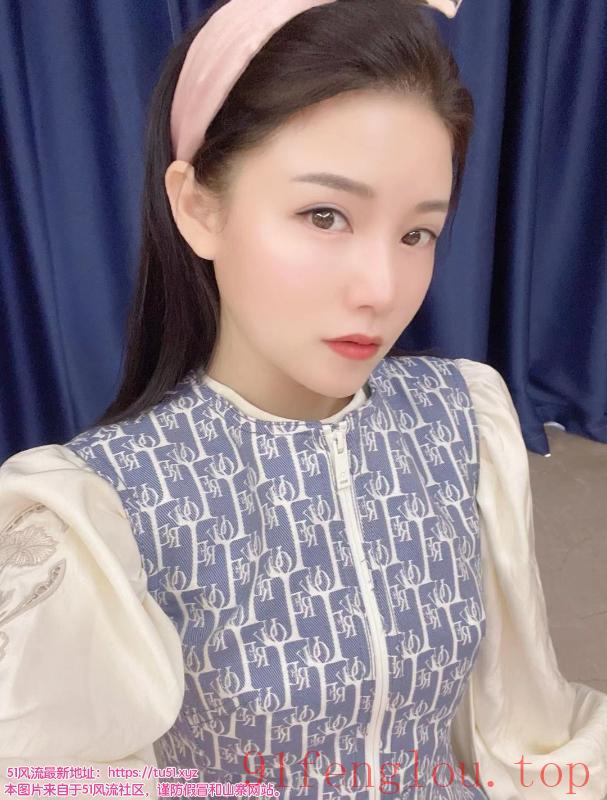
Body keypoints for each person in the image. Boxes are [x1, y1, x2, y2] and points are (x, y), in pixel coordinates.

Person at [1, 1, 606, 799]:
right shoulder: (100, 512)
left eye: (416, 234)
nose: (381, 289)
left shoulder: (462, 418)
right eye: (324, 216)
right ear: (198, 206)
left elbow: (514, 719)